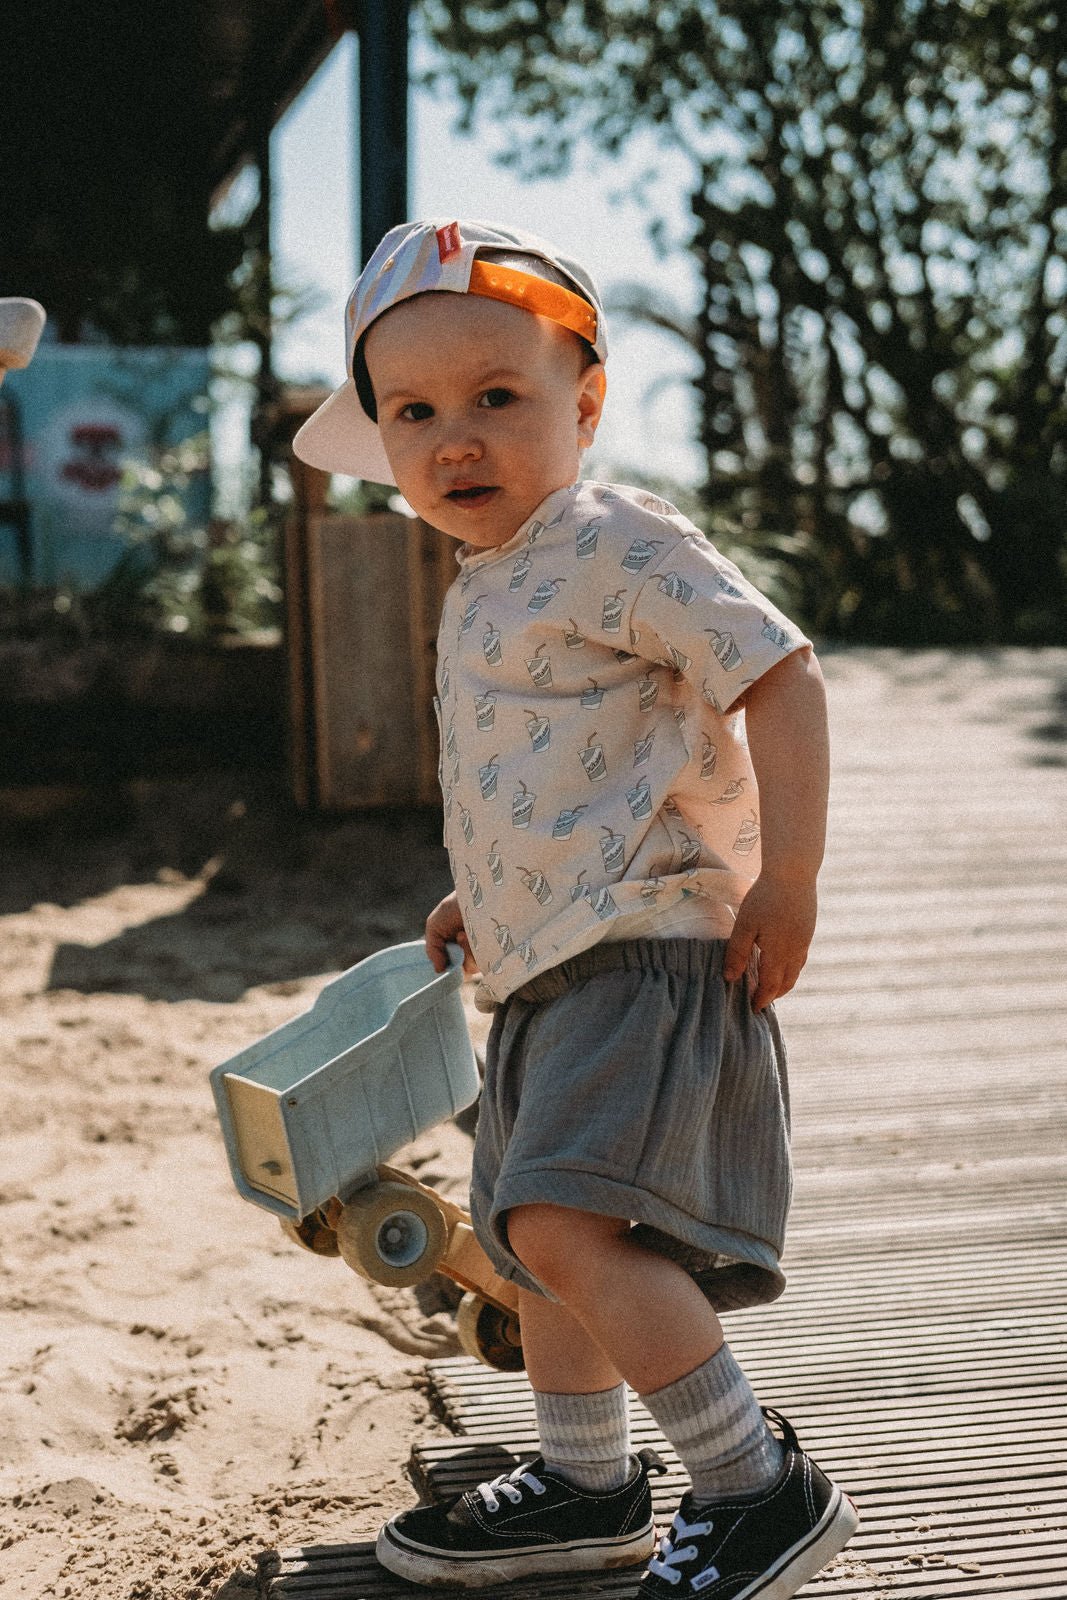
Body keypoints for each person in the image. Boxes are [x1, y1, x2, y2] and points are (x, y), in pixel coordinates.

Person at [293, 218, 858, 1598]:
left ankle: (753, 1480)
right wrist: (482, 891)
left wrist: (788, 877)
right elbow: (554, 770)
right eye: (414, 412)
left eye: (499, 396)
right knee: (537, 1248)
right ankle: (588, 1482)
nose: (455, 438)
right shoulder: (493, 580)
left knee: (561, 1219)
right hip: (549, 961)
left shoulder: (613, 537)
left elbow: (778, 675)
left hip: (651, 953)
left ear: (585, 403)